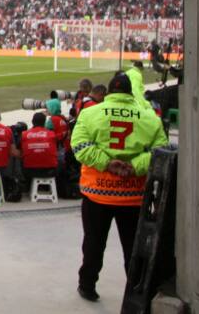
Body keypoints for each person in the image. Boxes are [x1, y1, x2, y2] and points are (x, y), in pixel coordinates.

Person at [71, 72, 169, 302]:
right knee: (133, 250)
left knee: (93, 244)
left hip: (97, 195)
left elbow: (80, 147)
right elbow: (160, 153)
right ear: (129, 92)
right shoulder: (149, 117)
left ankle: (87, 286)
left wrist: (107, 164)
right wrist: (134, 166)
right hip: (133, 196)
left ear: (109, 93)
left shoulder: (90, 113)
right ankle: (135, 294)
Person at [20, 112, 59, 187]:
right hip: (50, 171)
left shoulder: (24, 134)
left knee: (22, 159)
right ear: (44, 122)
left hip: (29, 171)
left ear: (32, 122)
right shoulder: (52, 134)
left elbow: (20, 150)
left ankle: (27, 186)